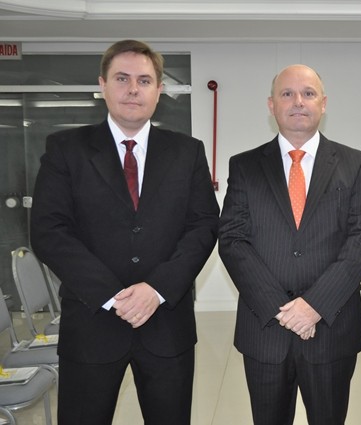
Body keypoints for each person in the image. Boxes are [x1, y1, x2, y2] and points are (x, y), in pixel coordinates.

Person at [30, 39, 219, 425]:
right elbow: (49, 230)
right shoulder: (66, 148)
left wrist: (157, 289)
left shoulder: (187, 152)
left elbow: (203, 225)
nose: (133, 89)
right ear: (103, 85)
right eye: (122, 78)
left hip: (166, 325)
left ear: (158, 90)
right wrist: (112, 296)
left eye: (144, 80)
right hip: (91, 324)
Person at [218, 64, 361, 425]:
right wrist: (282, 310)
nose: (298, 102)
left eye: (308, 93)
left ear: (323, 103)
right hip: (265, 329)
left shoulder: (355, 164)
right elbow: (232, 239)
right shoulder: (244, 166)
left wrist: (314, 306)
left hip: (332, 328)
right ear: (271, 105)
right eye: (287, 94)